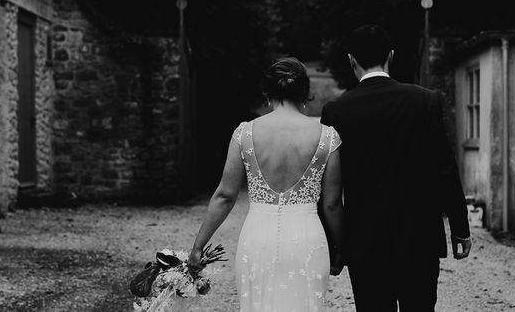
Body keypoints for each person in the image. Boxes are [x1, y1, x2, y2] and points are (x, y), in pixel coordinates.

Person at [320, 24, 471, 311]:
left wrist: (335, 246)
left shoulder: (336, 111)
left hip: (365, 242)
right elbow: (445, 170)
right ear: (391, 56)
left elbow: (328, 186)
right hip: (419, 238)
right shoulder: (425, 101)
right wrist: (460, 227)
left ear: (351, 60)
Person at [188, 57, 344, 311]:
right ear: (305, 92)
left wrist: (198, 247)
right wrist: (340, 248)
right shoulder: (327, 137)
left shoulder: (245, 133)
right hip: (307, 240)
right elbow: (333, 205)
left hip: (257, 238)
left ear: (267, 92)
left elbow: (225, 196)